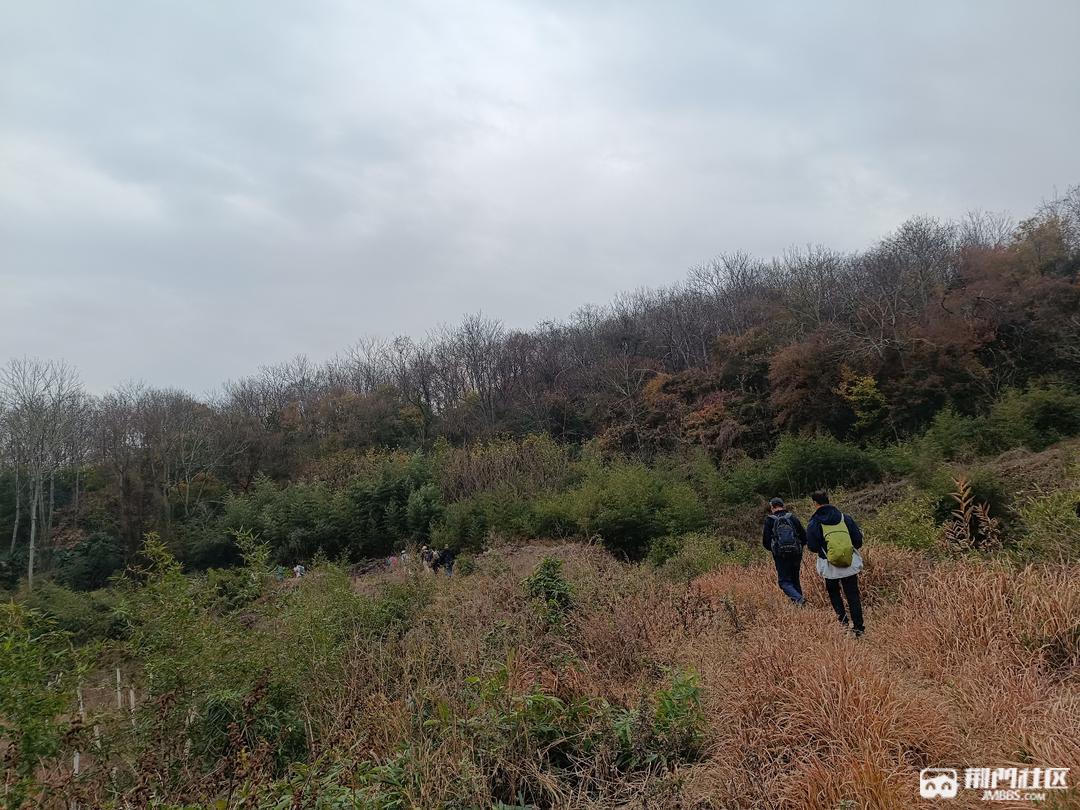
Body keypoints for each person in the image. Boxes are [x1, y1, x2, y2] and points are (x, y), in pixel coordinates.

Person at [805, 490, 865, 636]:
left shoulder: (814, 522)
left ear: (815, 503)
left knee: (834, 594)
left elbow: (812, 546)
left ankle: (843, 624)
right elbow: (858, 541)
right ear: (828, 500)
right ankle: (858, 628)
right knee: (853, 595)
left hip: (829, 566)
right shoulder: (845, 518)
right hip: (849, 563)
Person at [762, 497, 807, 605]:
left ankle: (799, 599)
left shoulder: (770, 520)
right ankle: (799, 604)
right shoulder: (792, 517)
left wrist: (775, 550)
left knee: (784, 581)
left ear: (772, 507)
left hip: (780, 556)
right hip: (796, 554)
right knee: (795, 579)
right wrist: (798, 547)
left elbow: (766, 542)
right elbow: (804, 537)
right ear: (783, 505)